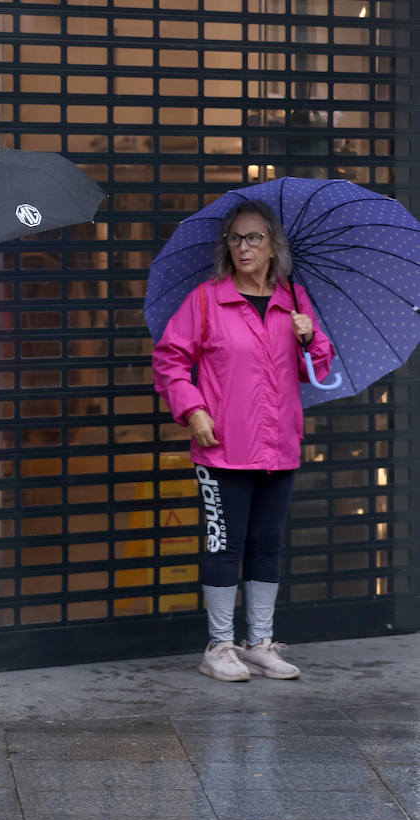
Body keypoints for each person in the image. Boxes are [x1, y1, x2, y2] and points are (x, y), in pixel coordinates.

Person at [152, 199, 335, 682]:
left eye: (254, 237)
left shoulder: (293, 302)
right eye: (235, 238)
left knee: (266, 545)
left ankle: (258, 642)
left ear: (274, 247)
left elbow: (320, 370)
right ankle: (219, 646)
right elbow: (170, 360)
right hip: (222, 448)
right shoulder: (208, 300)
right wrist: (192, 410)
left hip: (279, 446)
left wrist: (309, 336)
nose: (243, 246)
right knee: (224, 546)